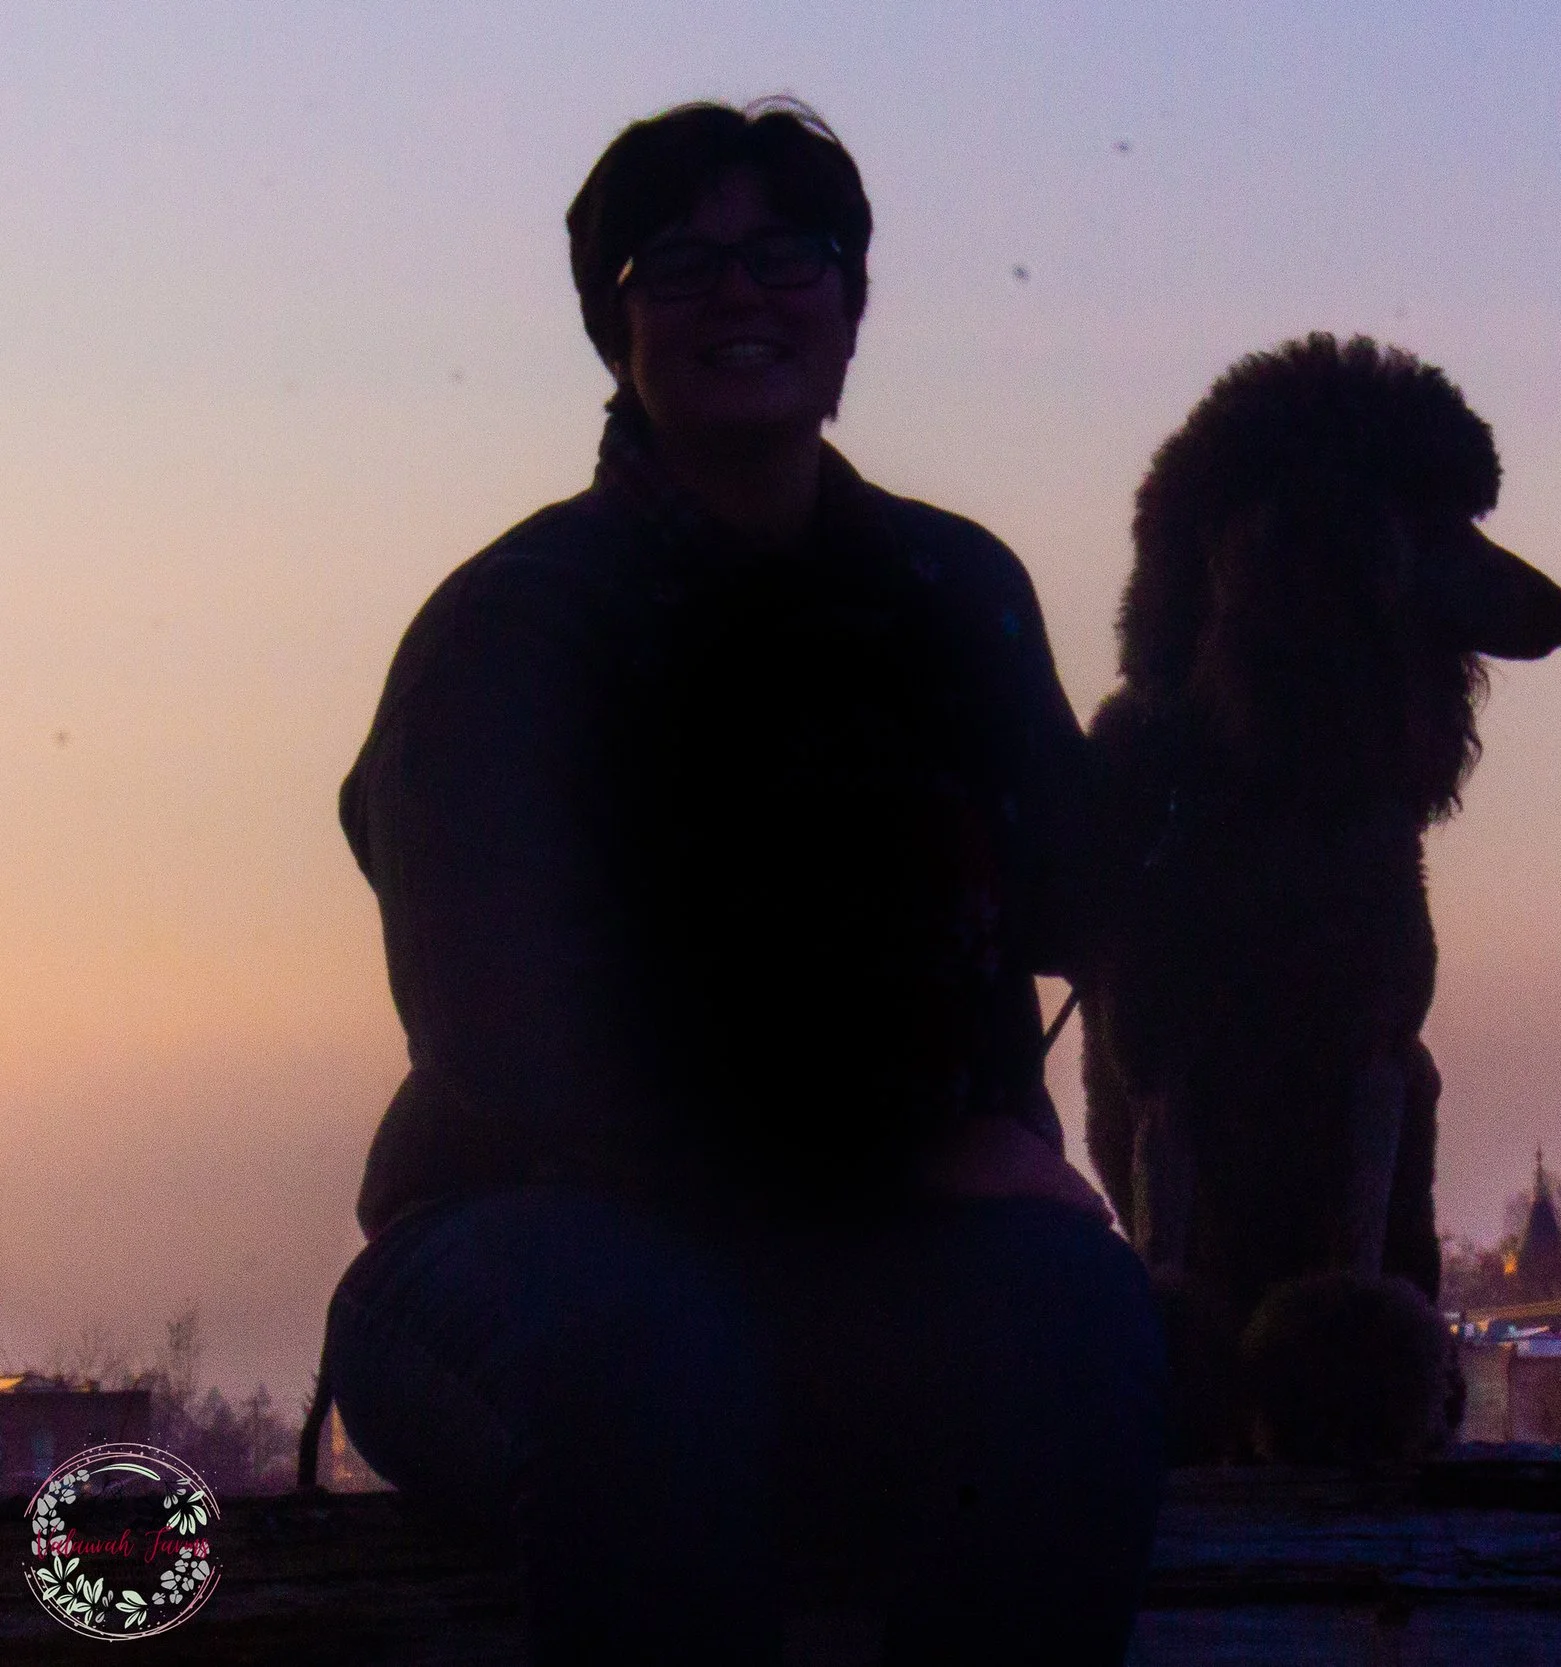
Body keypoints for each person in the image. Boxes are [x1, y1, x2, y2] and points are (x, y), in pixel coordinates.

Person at [320, 99, 1163, 1666]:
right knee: (652, 1363)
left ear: (851, 314)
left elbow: (1080, 898)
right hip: (522, 1222)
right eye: (681, 267)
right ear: (614, 326)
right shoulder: (513, 630)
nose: (742, 298)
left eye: (789, 257)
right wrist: (906, 1157)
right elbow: (507, 1039)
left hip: (872, 1247)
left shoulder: (954, 594)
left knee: (1077, 1325)